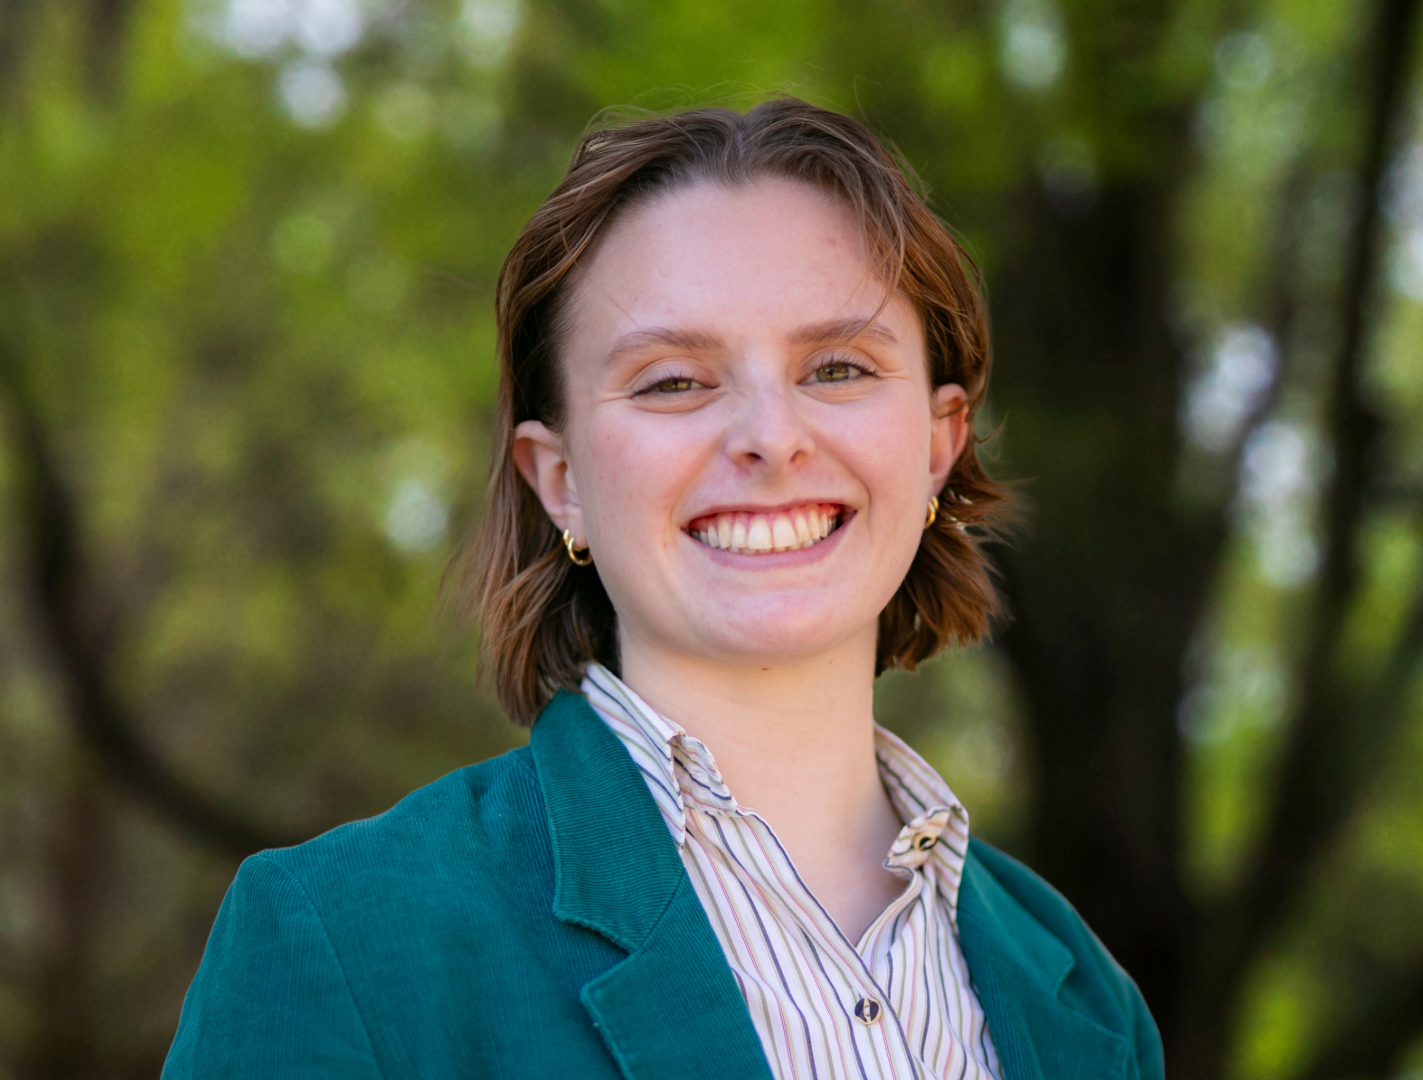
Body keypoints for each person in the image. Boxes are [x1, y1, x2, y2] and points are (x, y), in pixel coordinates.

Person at [163, 96, 1162, 1080]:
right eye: (673, 381)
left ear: (940, 445)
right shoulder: (342, 937)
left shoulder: (1082, 1000)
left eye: (840, 368)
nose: (771, 436)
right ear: (561, 482)